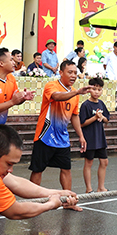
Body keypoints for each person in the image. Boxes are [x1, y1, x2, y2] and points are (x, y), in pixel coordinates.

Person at [29, 59, 89, 190]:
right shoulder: (52, 85)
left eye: (75, 73)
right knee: (38, 169)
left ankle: (68, 200)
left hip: (62, 138)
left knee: (66, 169)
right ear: (61, 72)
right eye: (70, 72)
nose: (73, 76)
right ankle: (31, 198)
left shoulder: (74, 92)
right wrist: (76, 92)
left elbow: (74, 115)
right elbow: (56, 96)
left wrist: (81, 136)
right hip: (45, 135)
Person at [0, 47, 32, 131]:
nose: (14, 62)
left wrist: (22, 98)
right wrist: (12, 102)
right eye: (11, 60)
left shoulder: (10, 78)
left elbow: (14, 99)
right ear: (1, 63)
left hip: (0, 126)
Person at [80, 77, 111, 193]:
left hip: (100, 138)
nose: (96, 92)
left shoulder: (101, 104)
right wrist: (94, 117)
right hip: (90, 138)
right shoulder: (86, 105)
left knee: (104, 161)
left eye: (99, 89)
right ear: (89, 90)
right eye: (94, 89)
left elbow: (107, 119)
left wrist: (102, 118)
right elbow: (82, 123)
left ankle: (101, 187)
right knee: (89, 162)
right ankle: (89, 188)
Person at [103, 41, 117, 109]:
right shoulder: (109, 55)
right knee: (109, 90)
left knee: (115, 91)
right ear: (114, 47)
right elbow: (104, 64)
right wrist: (107, 72)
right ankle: (107, 105)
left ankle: (113, 105)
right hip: (110, 75)